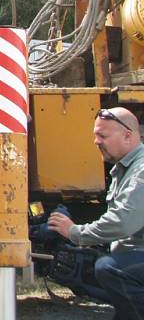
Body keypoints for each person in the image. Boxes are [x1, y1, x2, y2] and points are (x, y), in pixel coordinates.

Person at [48, 107, 144, 319]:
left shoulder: (141, 170)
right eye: (95, 135)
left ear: (127, 135)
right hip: (135, 255)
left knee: (110, 269)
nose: (96, 141)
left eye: (103, 135)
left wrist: (76, 232)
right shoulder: (126, 168)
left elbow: (123, 223)